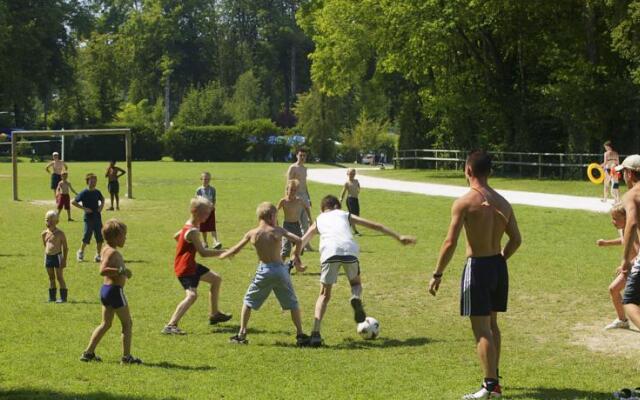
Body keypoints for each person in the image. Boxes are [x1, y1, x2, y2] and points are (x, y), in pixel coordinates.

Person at [428, 150, 522, 399]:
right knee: (492, 325)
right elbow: (516, 240)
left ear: (468, 170)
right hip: (498, 266)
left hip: (478, 267)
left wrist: (437, 273)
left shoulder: (464, 202)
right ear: (489, 172)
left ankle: (490, 385)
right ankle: (495, 378)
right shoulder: (503, 202)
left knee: (481, 330)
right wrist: (501, 257)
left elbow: (450, 242)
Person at [300, 195, 415, 347]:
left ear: (323, 209)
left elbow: (302, 240)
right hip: (349, 250)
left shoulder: (319, 219)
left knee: (324, 295)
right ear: (337, 206)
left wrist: (295, 258)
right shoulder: (344, 214)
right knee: (356, 284)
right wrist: (398, 237)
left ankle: (315, 333)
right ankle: (355, 296)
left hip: (329, 253)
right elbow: (375, 226)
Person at [220, 202, 310, 346]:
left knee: (248, 301)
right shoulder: (278, 230)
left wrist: (223, 254)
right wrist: (296, 256)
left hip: (264, 271)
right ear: (272, 216)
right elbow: (298, 240)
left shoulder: (252, 233)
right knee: (292, 303)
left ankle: (242, 334)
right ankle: (300, 334)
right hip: (281, 271)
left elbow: (235, 249)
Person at [162, 197, 231, 335]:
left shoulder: (191, 225)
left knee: (216, 279)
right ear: (195, 212)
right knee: (192, 296)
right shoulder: (193, 230)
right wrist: (224, 252)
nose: (208, 216)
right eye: (205, 213)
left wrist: (185, 245)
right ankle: (171, 325)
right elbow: (203, 253)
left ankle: (214, 314)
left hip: (190, 264)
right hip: (185, 268)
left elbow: (177, 236)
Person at [80, 219, 142, 364]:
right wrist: (122, 271)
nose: (125, 238)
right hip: (115, 291)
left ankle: (88, 353)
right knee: (127, 324)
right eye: (123, 235)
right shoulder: (112, 252)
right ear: (115, 237)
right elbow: (102, 270)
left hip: (105, 291)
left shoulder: (105, 248)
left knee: (106, 324)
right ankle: (126, 358)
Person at [597, 203, 640, 330]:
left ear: (626, 218)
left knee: (615, 290)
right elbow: (623, 240)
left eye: (616, 218)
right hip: (629, 268)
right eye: (612, 218)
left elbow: (639, 253)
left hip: (634, 268)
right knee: (614, 290)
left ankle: (623, 319)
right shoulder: (624, 229)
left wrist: (628, 264)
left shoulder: (635, 231)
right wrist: (606, 243)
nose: (613, 222)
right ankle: (622, 320)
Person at [614, 155, 640, 333]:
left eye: (623, 172)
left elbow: (631, 223)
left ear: (630, 173)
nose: (622, 176)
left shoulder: (632, 195)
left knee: (629, 301)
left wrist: (625, 259)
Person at [277, 179, 310, 272]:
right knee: (286, 249)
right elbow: (276, 211)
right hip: (286, 227)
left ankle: (297, 266)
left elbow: (307, 208)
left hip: (296, 225)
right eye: (291, 189)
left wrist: (310, 219)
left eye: (295, 190)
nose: (292, 192)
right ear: (287, 189)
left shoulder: (299, 200)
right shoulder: (283, 201)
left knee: (298, 247)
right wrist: (276, 222)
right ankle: (278, 267)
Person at [72, 173, 105, 263]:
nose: (94, 182)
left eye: (95, 180)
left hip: (97, 217)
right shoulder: (84, 193)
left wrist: (101, 206)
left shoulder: (97, 192)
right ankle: (80, 252)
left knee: (100, 236)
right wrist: (84, 208)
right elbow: (73, 202)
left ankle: (98, 255)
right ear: (87, 181)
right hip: (88, 218)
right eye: (92, 180)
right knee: (87, 235)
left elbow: (102, 199)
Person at [287, 147, 313, 251]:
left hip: (304, 197)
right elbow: (288, 184)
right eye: (300, 155)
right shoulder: (293, 168)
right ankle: (294, 244)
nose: (302, 157)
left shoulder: (305, 169)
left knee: (305, 222)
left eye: (304, 156)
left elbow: (304, 184)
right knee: (294, 222)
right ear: (297, 155)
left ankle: (306, 244)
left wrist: (309, 198)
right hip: (295, 197)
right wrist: (288, 197)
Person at [41, 210, 68, 303]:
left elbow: (65, 248)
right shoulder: (44, 234)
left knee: (59, 277)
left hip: (57, 257)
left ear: (57, 222)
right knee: (51, 277)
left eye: (51, 221)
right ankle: (52, 297)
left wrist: (64, 260)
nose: (49, 223)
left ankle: (63, 298)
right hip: (48, 257)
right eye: (47, 220)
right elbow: (46, 245)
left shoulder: (60, 233)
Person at [196, 172, 221, 249]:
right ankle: (205, 242)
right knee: (203, 228)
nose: (206, 180)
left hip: (210, 210)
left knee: (212, 226)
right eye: (204, 179)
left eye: (208, 179)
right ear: (201, 179)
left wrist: (212, 206)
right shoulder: (199, 190)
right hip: (202, 211)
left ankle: (215, 241)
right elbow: (198, 200)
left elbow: (214, 199)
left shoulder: (213, 189)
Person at [339, 168, 361, 235]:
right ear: (347, 174)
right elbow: (343, 192)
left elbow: (358, 188)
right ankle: (355, 231)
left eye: (353, 173)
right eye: (351, 173)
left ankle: (347, 227)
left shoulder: (356, 181)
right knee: (352, 215)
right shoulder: (347, 183)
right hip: (350, 200)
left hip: (355, 199)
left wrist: (358, 190)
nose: (352, 175)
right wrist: (340, 199)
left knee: (357, 215)